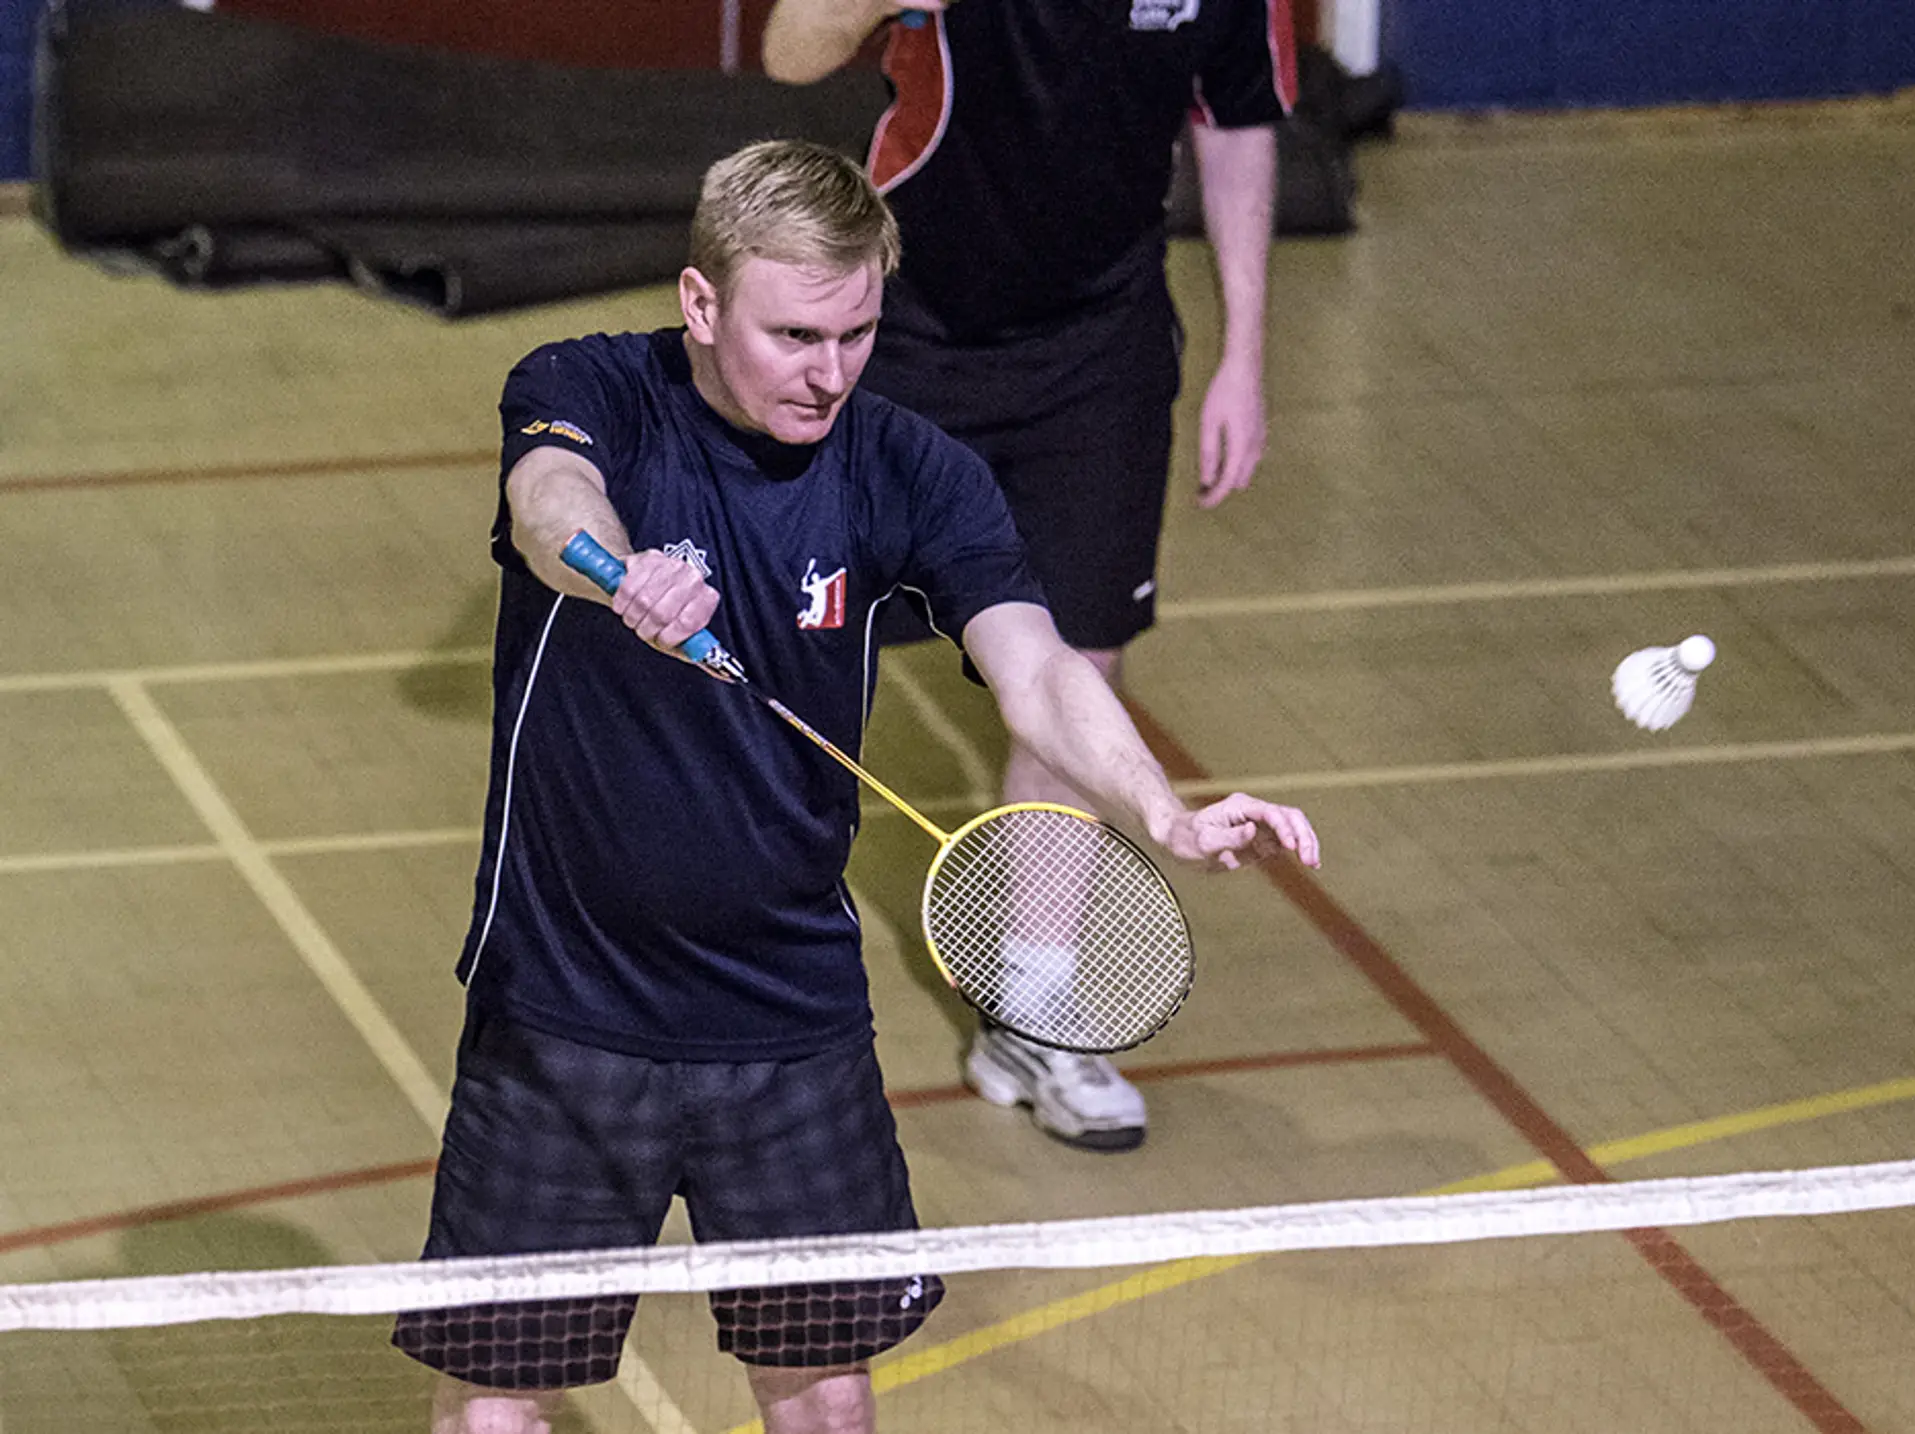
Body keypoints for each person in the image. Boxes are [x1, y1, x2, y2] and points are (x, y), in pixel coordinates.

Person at [391, 139, 1320, 1434]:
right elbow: (547, 498)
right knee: (496, 1407)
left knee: (828, 1398)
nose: (829, 372)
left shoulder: (909, 468)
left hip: (788, 1018)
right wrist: (614, 569)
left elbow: (1038, 668)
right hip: (567, 1007)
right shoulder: (591, 387)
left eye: (857, 332)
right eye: (794, 335)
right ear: (702, 304)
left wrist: (1157, 804)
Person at [762, 0, 1294, 1152]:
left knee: (1076, 654)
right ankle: (726, 973)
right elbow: (788, 49)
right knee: (792, 642)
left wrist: (1245, 351)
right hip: (894, 328)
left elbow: (1236, 119)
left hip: (1095, 344)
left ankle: (1036, 1008)